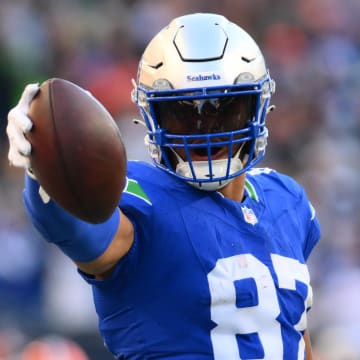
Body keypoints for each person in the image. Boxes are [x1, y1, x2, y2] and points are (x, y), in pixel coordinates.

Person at [6, 13, 320, 360]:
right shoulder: (145, 197)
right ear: (151, 115)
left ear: (258, 106)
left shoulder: (287, 200)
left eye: (225, 110)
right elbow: (77, 230)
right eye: (183, 114)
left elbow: (293, 333)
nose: (207, 130)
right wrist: (42, 167)